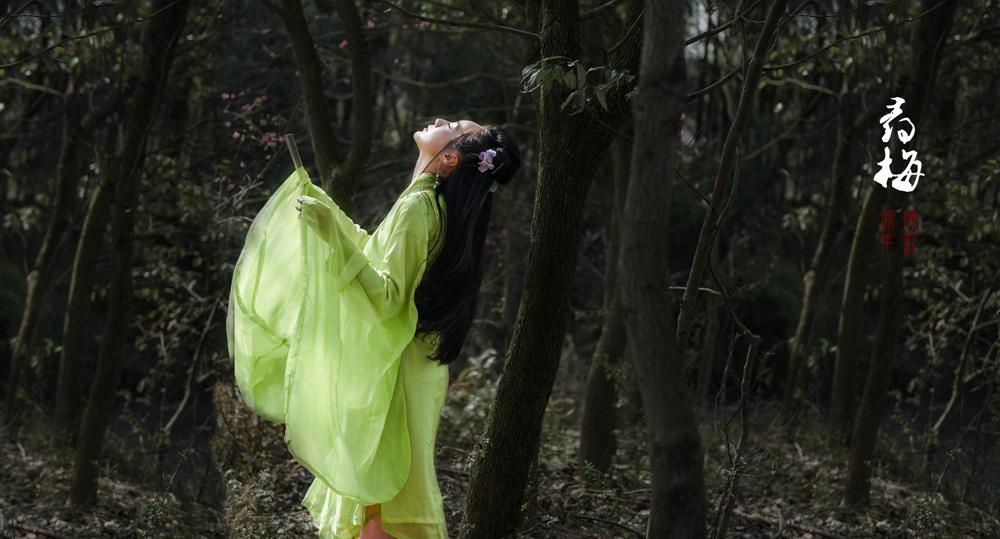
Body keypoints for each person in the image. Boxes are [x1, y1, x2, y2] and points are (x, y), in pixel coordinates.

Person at [226, 117, 520, 539]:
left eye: (453, 126)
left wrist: (332, 234)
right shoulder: (426, 201)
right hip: (408, 361)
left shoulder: (422, 207)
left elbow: (386, 295)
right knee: (383, 491)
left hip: (395, 368)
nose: (441, 120)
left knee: (382, 491)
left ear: (450, 158)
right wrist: (330, 216)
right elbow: (376, 252)